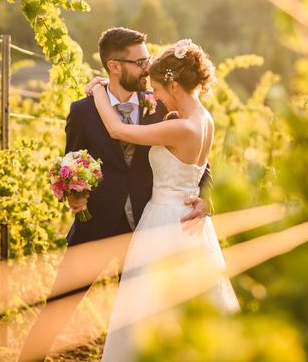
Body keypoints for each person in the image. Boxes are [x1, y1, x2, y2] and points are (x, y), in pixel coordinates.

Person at [18, 28, 211, 362]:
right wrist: (73, 195)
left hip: (148, 230)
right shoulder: (83, 110)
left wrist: (208, 199)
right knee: (57, 310)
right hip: (96, 226)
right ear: (114, 66)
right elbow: (71, 160)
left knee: (140, 322)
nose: (148, 69)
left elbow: (198, 163)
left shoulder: (162, 106)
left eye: (149, 60)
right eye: (140, 62)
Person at [91, 38, 239, 362]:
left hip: (166, 224)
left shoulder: (183, 128)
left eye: (157, 88)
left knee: (153, 309)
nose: (154, 96)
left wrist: (99, 90)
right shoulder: (204, 120)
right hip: (188, 220)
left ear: (172, 84)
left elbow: (117, 130)